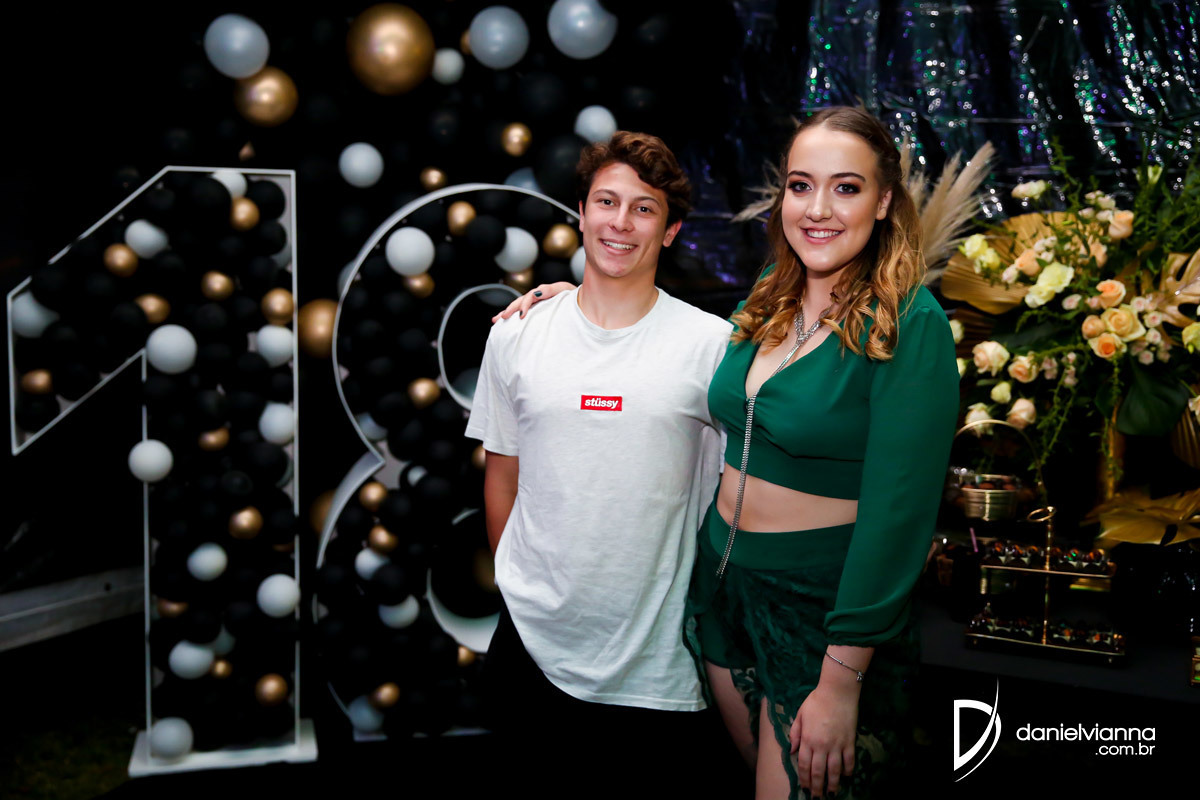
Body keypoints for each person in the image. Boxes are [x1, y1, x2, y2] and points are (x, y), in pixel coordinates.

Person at [496, 106, 959, 798]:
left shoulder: (910, 323)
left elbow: (900, 516)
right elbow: (640, 349)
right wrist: (576, 302)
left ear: (885, 201)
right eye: (801, 186)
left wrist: (841, 678)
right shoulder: (769, 301)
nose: (818, 208)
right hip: (721, 598)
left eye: (846, 187)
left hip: (818, 612)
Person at [465, 131, 739, 795]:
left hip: (655, 663)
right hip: (531, 649)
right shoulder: (517, 334)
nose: (621, 222)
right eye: (607, 202)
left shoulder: (713, 347)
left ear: (670, 231)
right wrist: (519, 587)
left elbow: (738, 496)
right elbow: (502, 476)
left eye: (644, 209)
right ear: (582, 213)